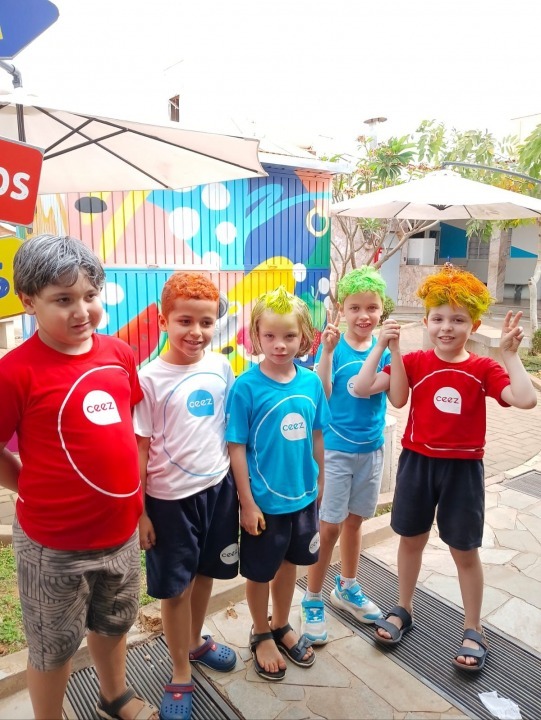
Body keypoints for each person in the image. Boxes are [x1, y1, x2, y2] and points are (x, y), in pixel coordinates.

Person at [0, 234, 157, 720]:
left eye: (90, 295)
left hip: (120, 534)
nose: (81, 311)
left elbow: (125, 429)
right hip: (54, 545)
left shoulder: (119, 353)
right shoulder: (14, 372)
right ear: (29, 301)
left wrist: (136, 506)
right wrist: (26, 485)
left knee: (114, 624)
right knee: (53, 647)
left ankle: (114, 696)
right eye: (63, 299)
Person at [354, 264, 537, 672]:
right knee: (410, 540)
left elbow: (526, 399)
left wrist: (509, 355)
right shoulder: (415, 361)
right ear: (425, 322)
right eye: (437, 318)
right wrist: (383, 347)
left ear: (474, 325)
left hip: (463, 472)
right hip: (417, 465)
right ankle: (403, 608)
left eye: (457, 319)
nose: (446, 328)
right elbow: (365, 388)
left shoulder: (483, 369)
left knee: (464, 550)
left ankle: (474, 628)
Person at [133, 272, 239, 720]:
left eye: (206, 322)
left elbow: (227, 429)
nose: (196, 332)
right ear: (163, 321)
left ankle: (195, 642)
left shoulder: (221, 367)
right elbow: (140, 448)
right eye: (185, 321)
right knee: (176, 588)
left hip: (218, 489)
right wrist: (140, 512)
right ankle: (180, 670)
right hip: (170, 501)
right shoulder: (149, 379)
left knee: (207, 571)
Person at [225, 286, 331, 681]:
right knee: (260, 571)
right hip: (264, 504)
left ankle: (281, 622)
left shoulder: (311, 383)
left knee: (290, 565)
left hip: (302, 498)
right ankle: (260, 631)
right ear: (256, 335)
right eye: (269, 335)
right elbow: (236, 448)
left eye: (289, 335)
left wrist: (320, 480)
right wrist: (247, 502)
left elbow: (317, 434)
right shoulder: (246, 387)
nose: (279, 344)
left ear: (304, 337)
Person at [300, 266, 404, 644]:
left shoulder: (385, 349)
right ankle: (312, 598)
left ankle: (346, 587)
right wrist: (326, 352)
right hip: (336, 453)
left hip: (371, 451)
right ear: (342, 308)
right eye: (355, 307)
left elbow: (395, 395)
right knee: (328, 527)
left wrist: (392, 349)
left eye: (371, 308)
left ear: (382, 310)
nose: (364, 315)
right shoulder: (335, 348)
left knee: (356, 522)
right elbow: (323, 394)